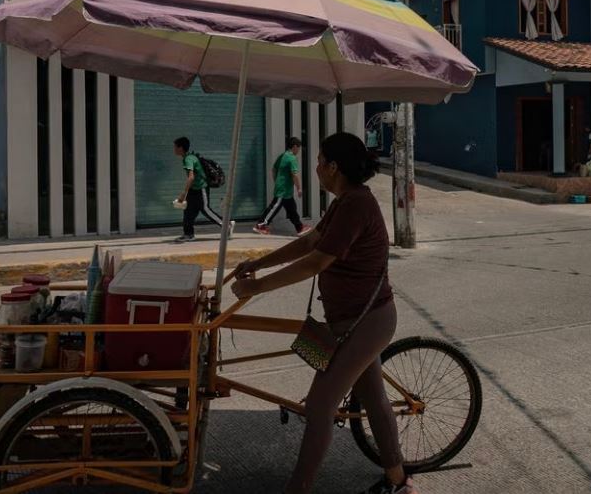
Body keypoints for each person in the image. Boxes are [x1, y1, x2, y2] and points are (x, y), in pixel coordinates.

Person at [232, 133, 417, 494]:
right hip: (354, 322)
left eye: (319, 161)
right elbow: (310, 242)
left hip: (365, 324)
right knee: (374, 400)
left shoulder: (356, 205)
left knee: (319, 407)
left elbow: (316, 262)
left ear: (334, 167)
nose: (314, 167)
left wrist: (256, 287)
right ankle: (399, 481)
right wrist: (259, 262)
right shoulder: (344, 201)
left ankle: (298, 489)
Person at [172, 136, 234, 242]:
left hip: (201, 188)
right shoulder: (188, 157)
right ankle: (188, 234)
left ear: (180, 148)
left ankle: (226, 225)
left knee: (205, 209)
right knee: (188, 212)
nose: (174, 149)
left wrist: (183, 193)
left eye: (175, 147)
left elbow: (191, 177)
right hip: (194, 189)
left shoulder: (188, 159)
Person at [253, 137, 312, 237]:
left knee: (292, 209)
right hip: (283, 190)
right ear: (294, 147)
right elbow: (294, 174)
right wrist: (299, 188)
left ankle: (300, 227)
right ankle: (261, 225)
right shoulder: (292, 158)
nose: (298, 151)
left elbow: (274, 169)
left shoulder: (283, 156)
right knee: (274, 208)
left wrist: (277, 181)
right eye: (298, 148)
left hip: (285, 190)